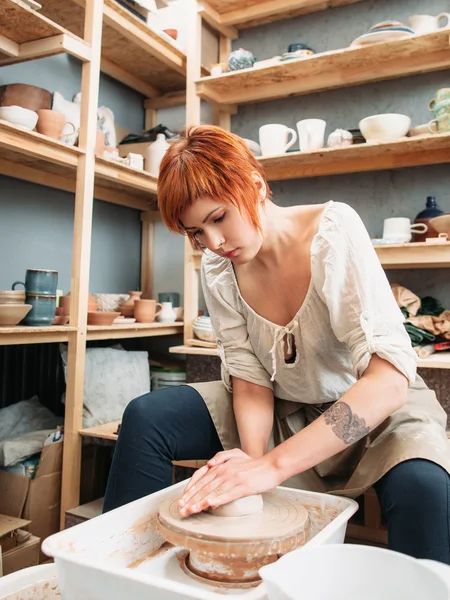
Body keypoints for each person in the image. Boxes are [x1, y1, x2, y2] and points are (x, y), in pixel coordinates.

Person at [103, 125, 450, 563]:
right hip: (287, 408)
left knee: (425, 485)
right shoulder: (217, 266)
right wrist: (251, 463)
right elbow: (248, 377)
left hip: (376, 413)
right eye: (195, 233)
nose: (213, 243)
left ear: (255, 184)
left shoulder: (331, 232)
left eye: (218, 218)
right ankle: (119, 572)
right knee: (147, 417)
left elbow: (388, 383)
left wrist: (272, 467)